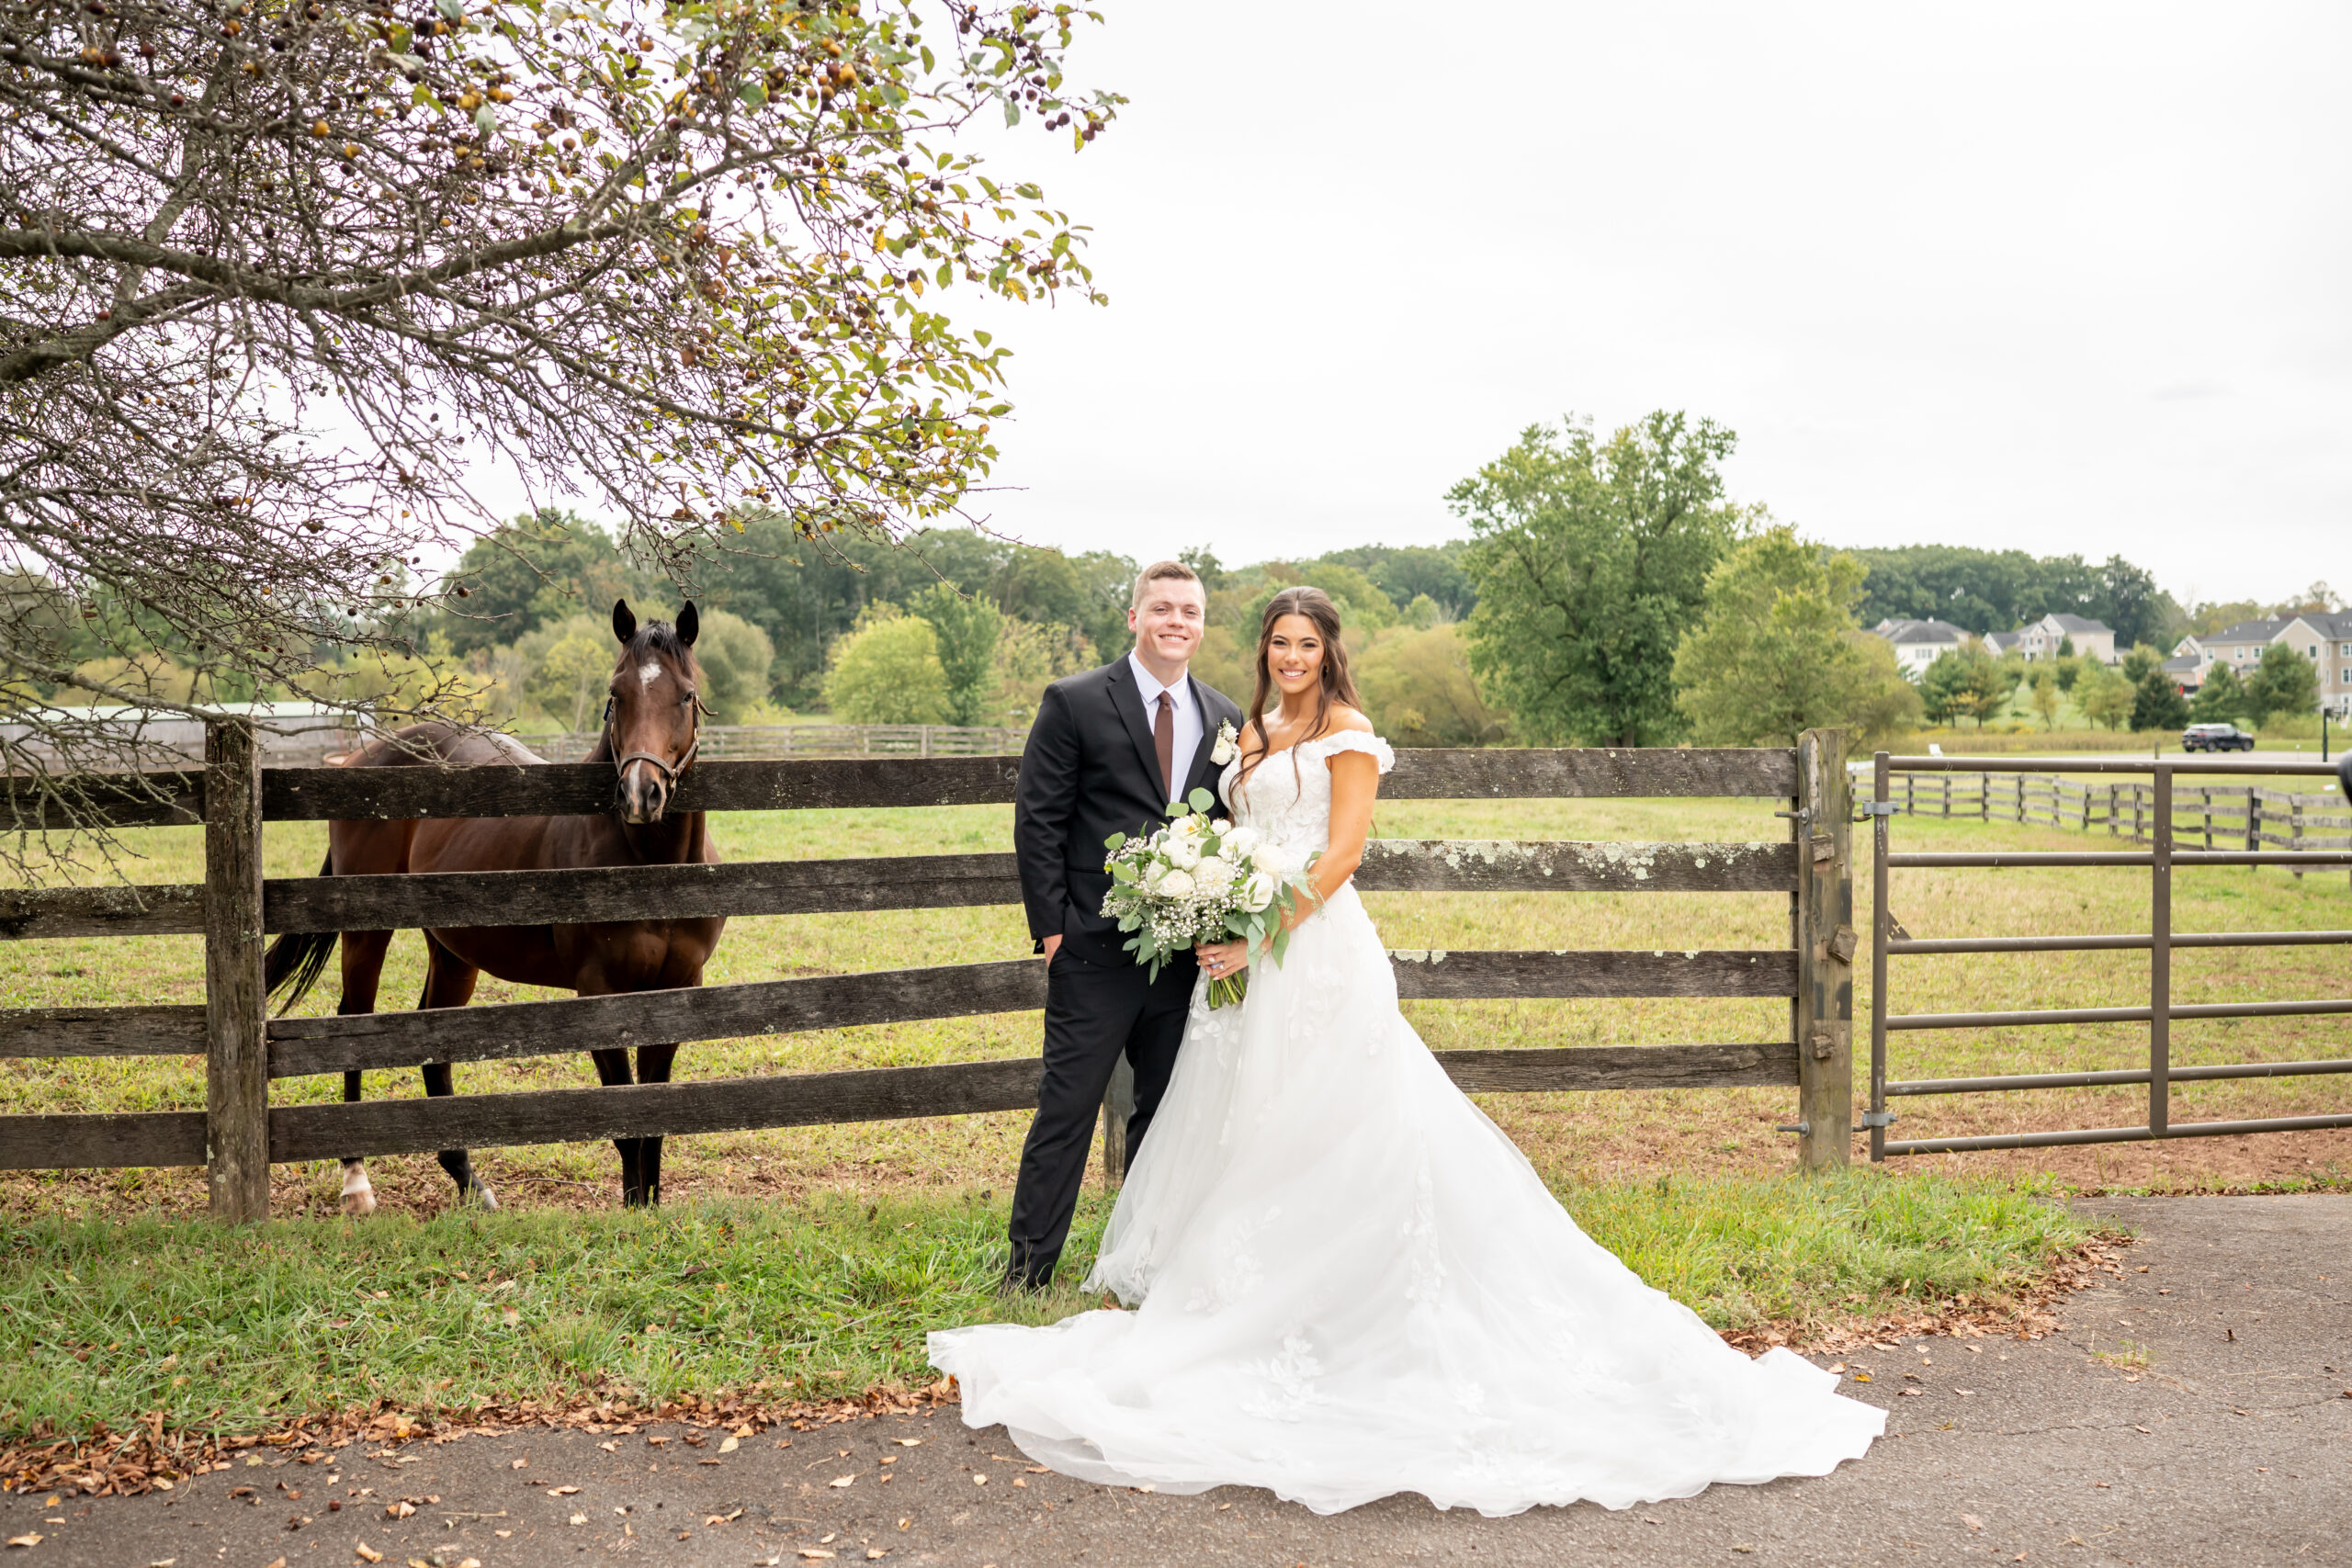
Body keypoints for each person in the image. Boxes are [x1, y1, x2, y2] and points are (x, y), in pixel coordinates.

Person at [933, 585, 1884, 1517]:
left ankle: (1338, 1295)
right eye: (1278, 644)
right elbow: (1192, 829)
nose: (1290, 657)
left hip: (1305, 951)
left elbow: (1341, 854)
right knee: (1235, 1116)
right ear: (1251, 649)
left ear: (1327, 651)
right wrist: (1202, 913)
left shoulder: (1346, 731)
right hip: (1234, 961)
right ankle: (1192, 1277)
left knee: (1331, 1116)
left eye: (1305, 644)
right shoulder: (1245, 730)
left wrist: (1259, 929)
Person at [1001, 559, 1246, 1292]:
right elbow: (1037, 818)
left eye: (1191, 612)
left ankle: (1141, 1266)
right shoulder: (1075, 701)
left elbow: (1227, 827)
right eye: (1164, 607)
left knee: (1166, 1115)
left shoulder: (1224, 716)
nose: (1178, 621)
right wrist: (1053, 931)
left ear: (1202, 625)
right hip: (1092, 950)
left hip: (1182, 957)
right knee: (1067, 1109)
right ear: (1135, 617)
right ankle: (1027, 1273)